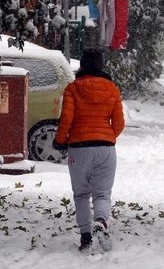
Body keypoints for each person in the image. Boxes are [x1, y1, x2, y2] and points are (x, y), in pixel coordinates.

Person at [53, 47, 125, 252]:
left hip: (79, 148)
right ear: (102, 65)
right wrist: (106, 135)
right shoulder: (112, 89)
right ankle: (101, 222)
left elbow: (66, 120)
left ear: (82, 65)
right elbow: (119, 123)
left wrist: (60, 140)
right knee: (102, 194)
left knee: (82, 194)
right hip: (106, 148)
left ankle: (85, 237)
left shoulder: (73, 89)